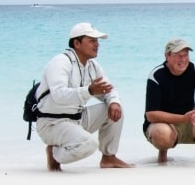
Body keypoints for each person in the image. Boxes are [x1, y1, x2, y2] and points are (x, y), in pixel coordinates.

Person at [34, 22, 134, 171]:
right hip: (52, 123)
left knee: (115, 109)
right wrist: (89, 91)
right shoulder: (60, 62)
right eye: (92, 41)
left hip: (78, 118)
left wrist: (114, 101)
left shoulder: (92, 66)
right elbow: (58, 95)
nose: (97, 45)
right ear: (77, 43)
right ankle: (54, 153)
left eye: (97, 41)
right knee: (89, 145)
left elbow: (110, 89)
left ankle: (108, 158)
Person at [143, 38, 195, 163]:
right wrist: (183, 118)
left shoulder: (193, 68)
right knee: (160, 133)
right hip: (163, 124)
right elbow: (151, 115)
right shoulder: (156, 75)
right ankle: (162, 155)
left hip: (189, 122)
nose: (183, 60)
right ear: (167, 56)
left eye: (186, 55)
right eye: (178, 56)